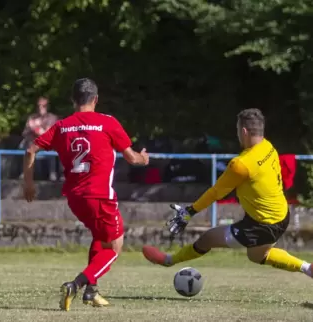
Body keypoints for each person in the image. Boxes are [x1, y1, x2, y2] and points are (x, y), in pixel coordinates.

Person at [22, 78, 150, 311]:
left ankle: (92, 292)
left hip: (75, 197)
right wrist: (144, 158)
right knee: (114, 246)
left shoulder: (62, 126)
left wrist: (28, 184)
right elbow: (131, 158)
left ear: (73, 100)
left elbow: (31, 149)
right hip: (99, 195)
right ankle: (76, 285)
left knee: (100, 238)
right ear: (96, 99)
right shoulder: (107, 122)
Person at [143, 108, 313, 279]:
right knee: (257, 256)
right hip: (281, 215)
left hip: (262, 225)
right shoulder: (269, 148)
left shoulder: (241, 164)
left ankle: (169, 260)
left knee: (207, 239)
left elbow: (216, 192)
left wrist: (189, 212)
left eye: (238, 131)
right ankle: (308, 268)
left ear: (244, 131)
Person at [20, 96, 62, 181]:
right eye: (39, 106)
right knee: (23, 146)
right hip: (33, 144)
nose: (40, 108)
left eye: (43, 106)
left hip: (47, 145)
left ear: (47, 107)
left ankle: (52, 173)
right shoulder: (32, 117)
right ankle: (26, 172)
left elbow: (48, 134)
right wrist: (34, 130)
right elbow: (24, 133)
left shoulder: (52, 118)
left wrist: (35, 128)